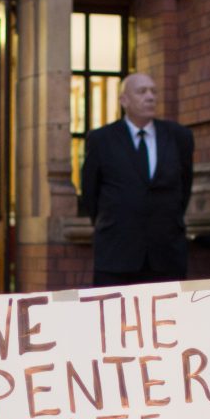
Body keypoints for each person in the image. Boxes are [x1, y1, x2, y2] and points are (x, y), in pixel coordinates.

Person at [80, 72, 194, 287]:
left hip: (166, 254)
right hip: (117, 254)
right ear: (124, 100)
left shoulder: (179, 136)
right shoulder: (101, 139)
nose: (150, 97)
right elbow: (90, 193)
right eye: (142, 91)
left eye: (153, 91)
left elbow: (184, 186)